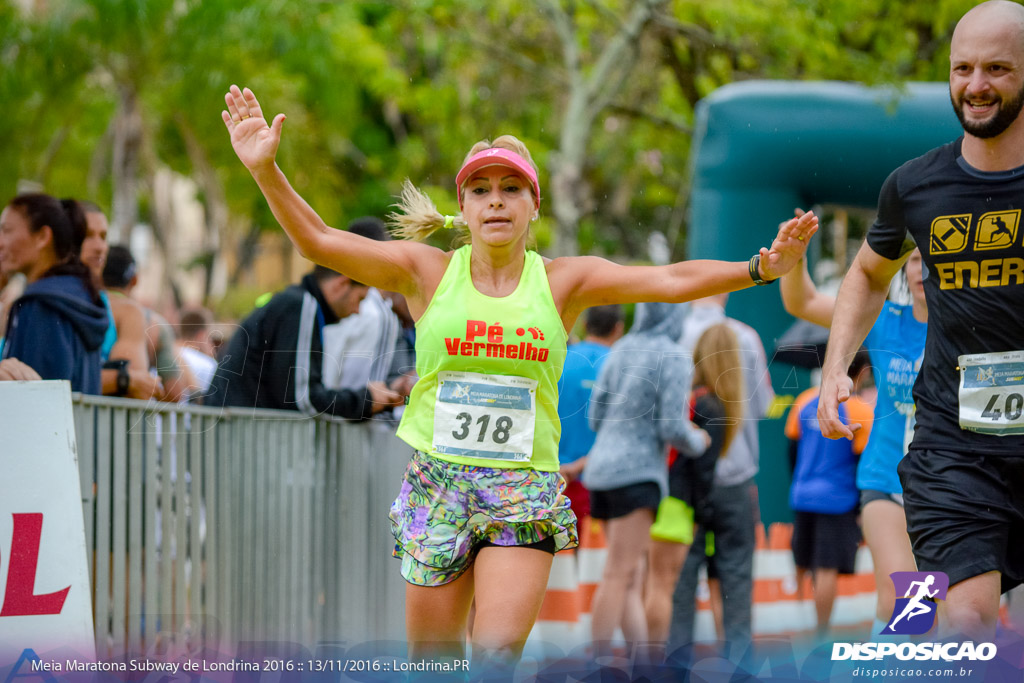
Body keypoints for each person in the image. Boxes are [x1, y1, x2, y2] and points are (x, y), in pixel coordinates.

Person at [220, 84, 818, 670]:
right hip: (439, 481)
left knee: (497, 652)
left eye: (510, 189)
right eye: (481, 190)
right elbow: (318, 240)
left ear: (533, 205)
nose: (496, 200)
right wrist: (265, 171)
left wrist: (760, 267)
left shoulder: (561, 282)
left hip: (522, 485)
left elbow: (667, 280)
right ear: (466, 207)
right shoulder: (426, 272)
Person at [818, 0, 1024, 641]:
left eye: (997, 68)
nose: (976, 85)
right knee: (963, 627)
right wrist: (834, 368)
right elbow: (866, 274)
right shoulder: (915, 186)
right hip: (954, 446)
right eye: (963, 68)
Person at [782, 245, 927, 637]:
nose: (922, 270)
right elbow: (803, 301)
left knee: (935, 610)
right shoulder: (885, 319)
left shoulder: (967, 326)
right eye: (915, 260)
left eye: (931, 261)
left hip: (947, 483)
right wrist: (794, 260)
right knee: (903, 600)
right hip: (885, 477)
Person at [582, 301, 708, 658]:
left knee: (630, 576)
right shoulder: (673, 356)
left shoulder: (620, 349)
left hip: (601, 471)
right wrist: (699, 440)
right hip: (637, 475)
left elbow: (594, 417)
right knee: (619, 574)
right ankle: (598, 662)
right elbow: (672, 426)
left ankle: (643, 665)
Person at [669, 294, 774, 650]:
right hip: (737, 478)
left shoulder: (673, 334)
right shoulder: (745, 336)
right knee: (737, 580)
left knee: (680, 583)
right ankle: (739, 665)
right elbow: (763, 406)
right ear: (725, 293)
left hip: (685, 487)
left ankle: (676, 668)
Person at [645, 322, 744, 660]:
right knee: (670, 586)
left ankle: (663, 659)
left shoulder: (691, 400)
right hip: (685, 505)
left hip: (667, 498)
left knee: (665, 586)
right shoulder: (717, 408)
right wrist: (703, 509)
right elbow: (703, 468)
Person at [205, 264, 401, 418]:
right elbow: (302, 398)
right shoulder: (302, 304)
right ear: (341, 284)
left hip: (235, 432)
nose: (357, 311)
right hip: (241, 436)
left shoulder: (296, 302)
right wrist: (365, 400)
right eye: (359, 299)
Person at [785, 349, 873, 636]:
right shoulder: (860, 410)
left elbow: (791, 451)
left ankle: (796, 618)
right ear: (864, 371)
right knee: (826, 567)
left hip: (803, 494)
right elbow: (863, 462)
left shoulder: (804, 401)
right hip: (838, 499)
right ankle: (820, 631)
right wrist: (861, 509)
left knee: (802, 559)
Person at [0, 193, 108, 393]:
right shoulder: (79, 295)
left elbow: (36, 401)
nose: (1, 243)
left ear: (43, 237)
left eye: (7, 230)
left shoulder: (42, 303)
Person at [321, 217, 405, 398]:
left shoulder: (341, 298)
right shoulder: (376, 311)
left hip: (331, 408)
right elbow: (363, 383)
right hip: (353, 415)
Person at [557, 304, 624, 520]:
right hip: (600, 479)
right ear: (618, 328)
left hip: (553, 474)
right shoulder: (621, 367)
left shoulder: (559, 359)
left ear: (585, 325)